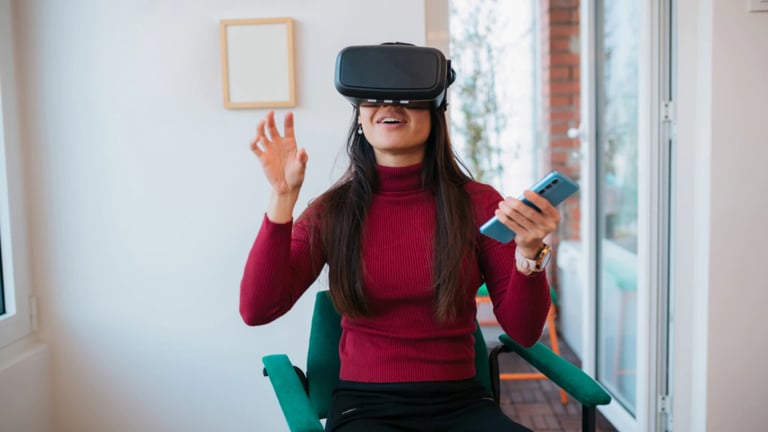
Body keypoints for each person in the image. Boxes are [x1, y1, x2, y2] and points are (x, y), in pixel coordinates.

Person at [240, 44, 561, 432]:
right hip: (365, 409)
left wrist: (529, 253)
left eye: (407, 96)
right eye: (374, 98)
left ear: (435, 113)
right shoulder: (333, 211)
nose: (389, 105)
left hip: (462, 404)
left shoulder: (478, 203)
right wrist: (282, 199)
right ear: (360, 117)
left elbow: (524, 331)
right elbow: (258, 310)